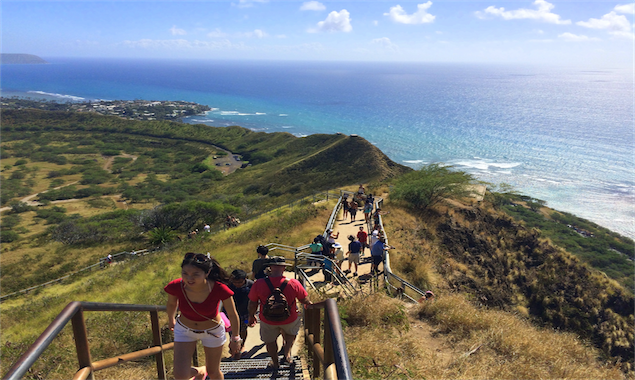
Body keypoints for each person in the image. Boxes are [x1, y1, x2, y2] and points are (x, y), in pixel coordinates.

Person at [165, 253, 242, 380]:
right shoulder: (176, 286)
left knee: (213, 372)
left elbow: (233, 314)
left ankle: (203, 371)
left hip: (212, 332)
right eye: (185, 273)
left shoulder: (219, 288)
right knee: (180, 375)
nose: (189, 278)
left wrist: (235, 338)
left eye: (196, 274)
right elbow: (172, 303)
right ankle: (200, 372)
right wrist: (171, 319)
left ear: (207, 273)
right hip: (184, 330)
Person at [248, 257, 312, 369]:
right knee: (290, 334)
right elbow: (304, 300)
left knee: (270, 341)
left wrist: (251, 315)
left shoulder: (259, 283)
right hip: (289, 318)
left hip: (267, 319)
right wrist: (311, 306)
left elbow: (253, 303)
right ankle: (287, 355)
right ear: (284, 268)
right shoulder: (293, 283)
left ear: (270, 267)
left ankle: (275, 362)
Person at [227, 269, 254, 359]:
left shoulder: (251, 285)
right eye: (235, 282)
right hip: (230, 313)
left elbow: (255, 300)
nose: (237, 284)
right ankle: (235, 349)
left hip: (245, 314)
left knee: (243, 329)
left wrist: (252, 314)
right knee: (232, 331)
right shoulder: (228, 285)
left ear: (245, 279)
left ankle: (242, 346)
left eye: (239, 282)